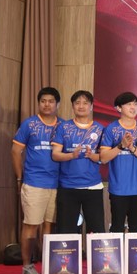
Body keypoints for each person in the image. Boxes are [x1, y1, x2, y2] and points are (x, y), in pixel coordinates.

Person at [11, 87, 62, 274]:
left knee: (50, 226)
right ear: (39, 103)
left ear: (57, 104)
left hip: (58, 184)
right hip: (34, 182)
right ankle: (27, 266)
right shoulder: (29, 124)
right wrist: (19, 177)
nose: (47, 104)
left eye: (51, 101)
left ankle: (48, 265)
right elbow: (15, 151)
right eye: (43, 101)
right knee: (31, 225)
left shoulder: (63, 126)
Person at [51, 90, 105, 234]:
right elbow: (55, 155)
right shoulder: (63, 127)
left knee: (96, 231)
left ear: (91, 106)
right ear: (73, 106)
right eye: (77, 103)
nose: (81, 106)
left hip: (93, 186)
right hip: (68, 186)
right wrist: (71, 155)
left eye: (85, 103)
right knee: (66, 232)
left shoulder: (99, 129)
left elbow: (104, 157)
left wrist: (92, 156)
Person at [99, 92, 137, 233]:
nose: (133, 107)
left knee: (136, 228)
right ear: (119, 108)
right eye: (128, 104)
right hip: (118, 188)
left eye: (135, 104)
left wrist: (131, 147)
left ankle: (134, 249)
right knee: (117, 227)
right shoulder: (111, 129)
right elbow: (104, 158)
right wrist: (121, 146)